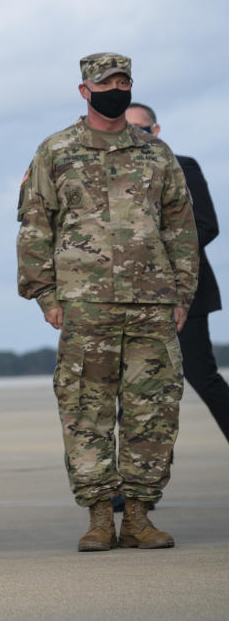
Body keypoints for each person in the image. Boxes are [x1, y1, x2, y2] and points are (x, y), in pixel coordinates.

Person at [17, 53, 198, 552]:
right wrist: (45, 296)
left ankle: (139, 515)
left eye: (123, 82)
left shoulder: (156, 154)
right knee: (85, 411)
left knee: (153, 412)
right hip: (84, 306)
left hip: (152, 304)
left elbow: (180, 228)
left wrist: (181, 294)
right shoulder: (56, 151)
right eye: (105, 83)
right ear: (84, 90)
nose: (114, 89)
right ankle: (100, 516)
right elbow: (35, 227)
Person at [126, 103, 229, 444]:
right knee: (134, 389)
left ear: (156, 131)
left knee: (202, 377)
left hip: (184, 292)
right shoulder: (110, 174)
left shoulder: (183, 166)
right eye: (128, 128)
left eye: (141, 128)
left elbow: (207, 225)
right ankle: (135, 487)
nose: (135, 135)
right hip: (128, 298)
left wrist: (156, 255)